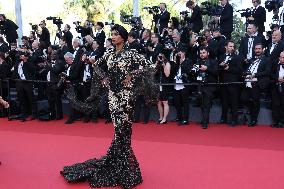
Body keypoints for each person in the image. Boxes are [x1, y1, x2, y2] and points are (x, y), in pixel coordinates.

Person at [60, 24, 153, 188]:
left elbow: (150, 66)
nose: (113, 36)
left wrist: (132, 74)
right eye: (112, 34)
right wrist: (102, 76)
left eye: (116, 34)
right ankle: (119, 165)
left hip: (126, 96)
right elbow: (95, 65)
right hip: (112, 96)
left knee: (124, 130)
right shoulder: (109, 54)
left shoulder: (131, 54)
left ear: (123, 37)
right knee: (118, 129)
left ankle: (122, 166)